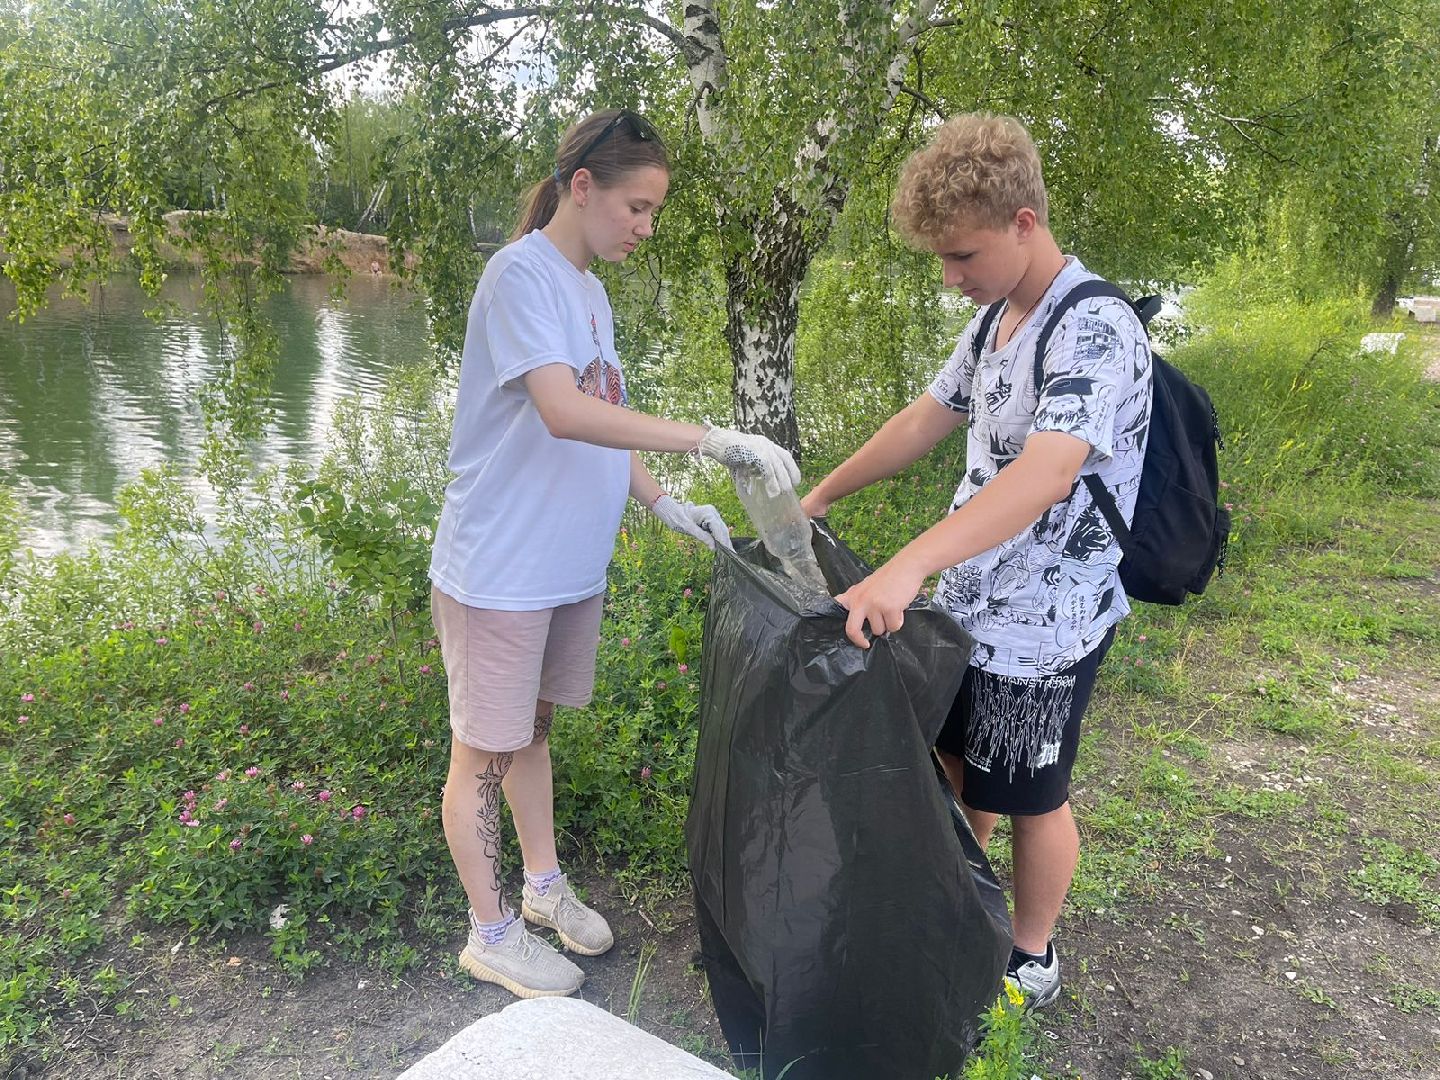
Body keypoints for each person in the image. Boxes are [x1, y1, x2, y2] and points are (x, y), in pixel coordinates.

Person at [429, 108, 799, 1000]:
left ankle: (542, 885)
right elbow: (562, 409)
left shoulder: (590, 292)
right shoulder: (520, 277)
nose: (646, 226)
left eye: (655, 212)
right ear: (582, 186)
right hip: (503, 568)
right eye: (637, 206)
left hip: (565, 566)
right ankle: (491, 934)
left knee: (534, 731)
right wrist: (708, 437)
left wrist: (668, 500)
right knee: (482, 750)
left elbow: (603, 417)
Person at [800, 113, 1152, 1010]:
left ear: (1024, 223)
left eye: (962, 256)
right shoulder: (999, 317)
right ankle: (957, 898)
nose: (951, 278)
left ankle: (1029, 956)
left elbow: (1046, 472)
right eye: (942, 261)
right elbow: (926, 418)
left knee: (1033, 790)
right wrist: (822, 494)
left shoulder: (1094, 326)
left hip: (1050, 620)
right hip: (977, 602)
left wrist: (907, 565)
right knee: (963, 761)